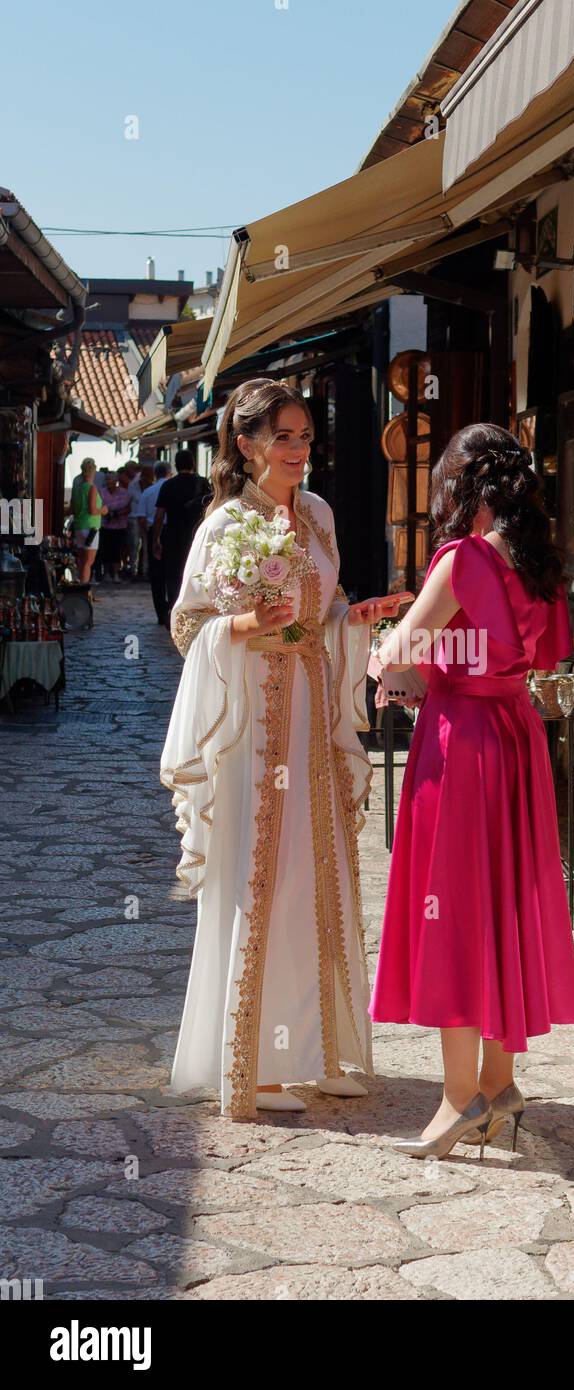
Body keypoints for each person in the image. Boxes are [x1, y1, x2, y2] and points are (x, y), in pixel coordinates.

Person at [160, 378, 409, 1120]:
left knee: (319, 871)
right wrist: (240, 627)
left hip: (309, 713)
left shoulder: (320, 516)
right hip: (253, 725)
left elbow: (326, 609)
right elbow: (186, 625)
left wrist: (353, 617)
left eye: (306, 437)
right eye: (285, 437)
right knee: (262, 876)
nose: (300, 451)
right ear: (246, 444)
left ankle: (318, 1050)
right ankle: (255, 1066)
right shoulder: (224, 523)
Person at [369, 423, 574, 1160]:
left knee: (456, 913)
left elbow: (401, 651)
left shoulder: (464, 559)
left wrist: (383, 658)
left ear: (465, 488)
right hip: (516, 736)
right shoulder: (537, 563)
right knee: (502, 910)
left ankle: (459, 1100)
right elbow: (514, 655)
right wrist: (433, 675)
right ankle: (499, 1086)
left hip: (461, 746)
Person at [151, 449, 207, 611]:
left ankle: (175, 609)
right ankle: (195, 609)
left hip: (173, 536)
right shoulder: (202, 483)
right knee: (197, 573)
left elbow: (159, 515)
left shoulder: (168, 485)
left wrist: (156, 539)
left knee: (174, 575)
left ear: (175, 465)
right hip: (197, 536)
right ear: (193, 463)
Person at [68, 458, 107, 583]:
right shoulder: (92, 488)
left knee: (81, 560)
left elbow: (72, 508)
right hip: (91, 527)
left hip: (79, 526)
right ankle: (84, 590)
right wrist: (103, 510)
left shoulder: (78, 488)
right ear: (93, 472)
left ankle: (80, 587)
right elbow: (92, 510)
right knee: (88, 562)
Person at [140, 462, 170, 623]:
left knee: (157, 575)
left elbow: (142, 518)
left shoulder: (147, 492)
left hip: (154, 530)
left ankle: (161, 613)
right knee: (172, 572)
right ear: (169, 473)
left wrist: (149, 536)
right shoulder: (172, 487)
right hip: (172, 531)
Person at [100, 472, 131, 582]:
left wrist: (117, 513)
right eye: (107, 479)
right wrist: (108, 512)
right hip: (106, 525)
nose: (108, 482)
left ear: (116, 481)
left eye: (111, 480)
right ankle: (107, 573)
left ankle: (117, 573)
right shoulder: (102, 492)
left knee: (117, 550)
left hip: (119, 526)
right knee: (106, 550)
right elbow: (101, 506)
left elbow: (127, 507)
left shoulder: (123, 492)